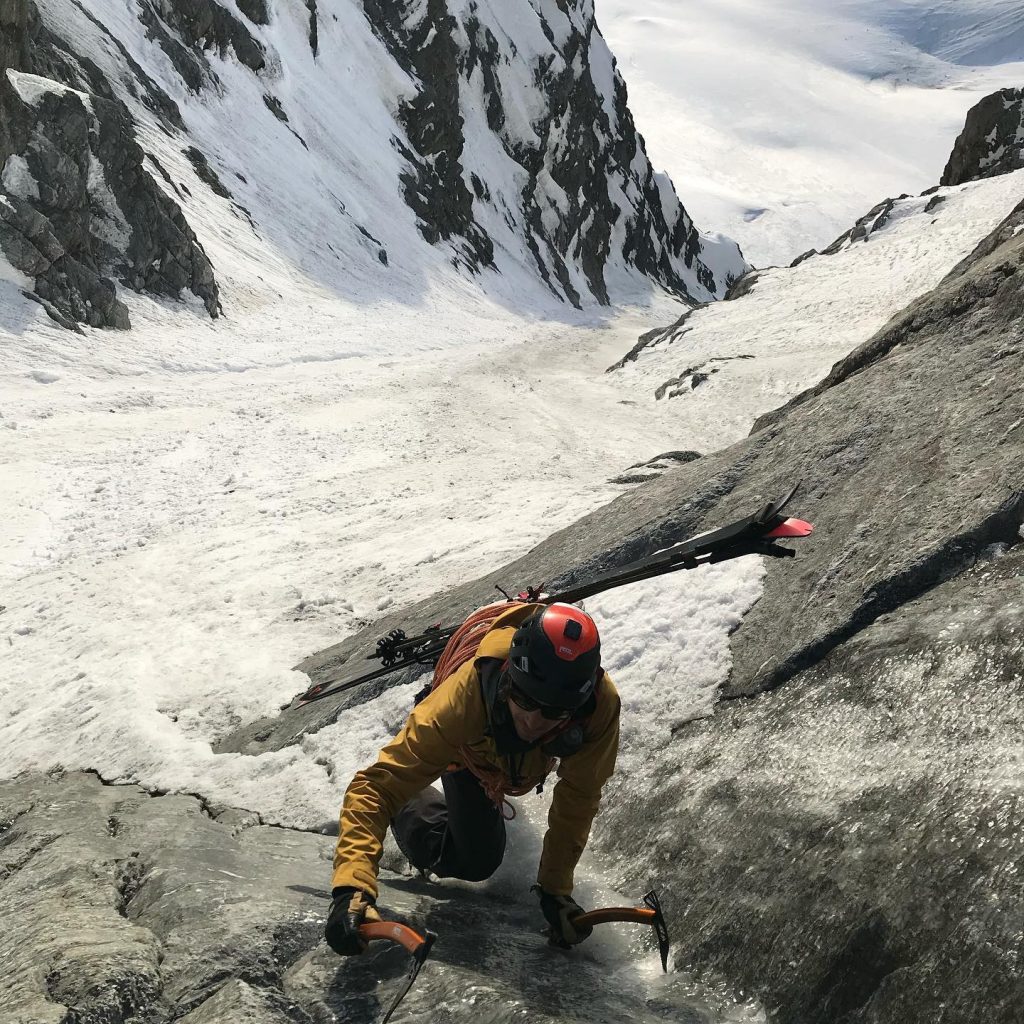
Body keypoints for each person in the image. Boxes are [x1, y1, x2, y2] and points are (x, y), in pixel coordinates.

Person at [325, 602, 621, 955]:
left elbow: (579, 797)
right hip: (468, 752)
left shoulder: (597, 707)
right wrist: (352, 889)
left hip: (506, 755)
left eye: (554, 712)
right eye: (524, 699)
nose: (533, 722)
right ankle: (408, 802)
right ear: (509, 678)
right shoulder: (469, 694)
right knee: (475, 861)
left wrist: (555, 892)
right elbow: (375, 786)